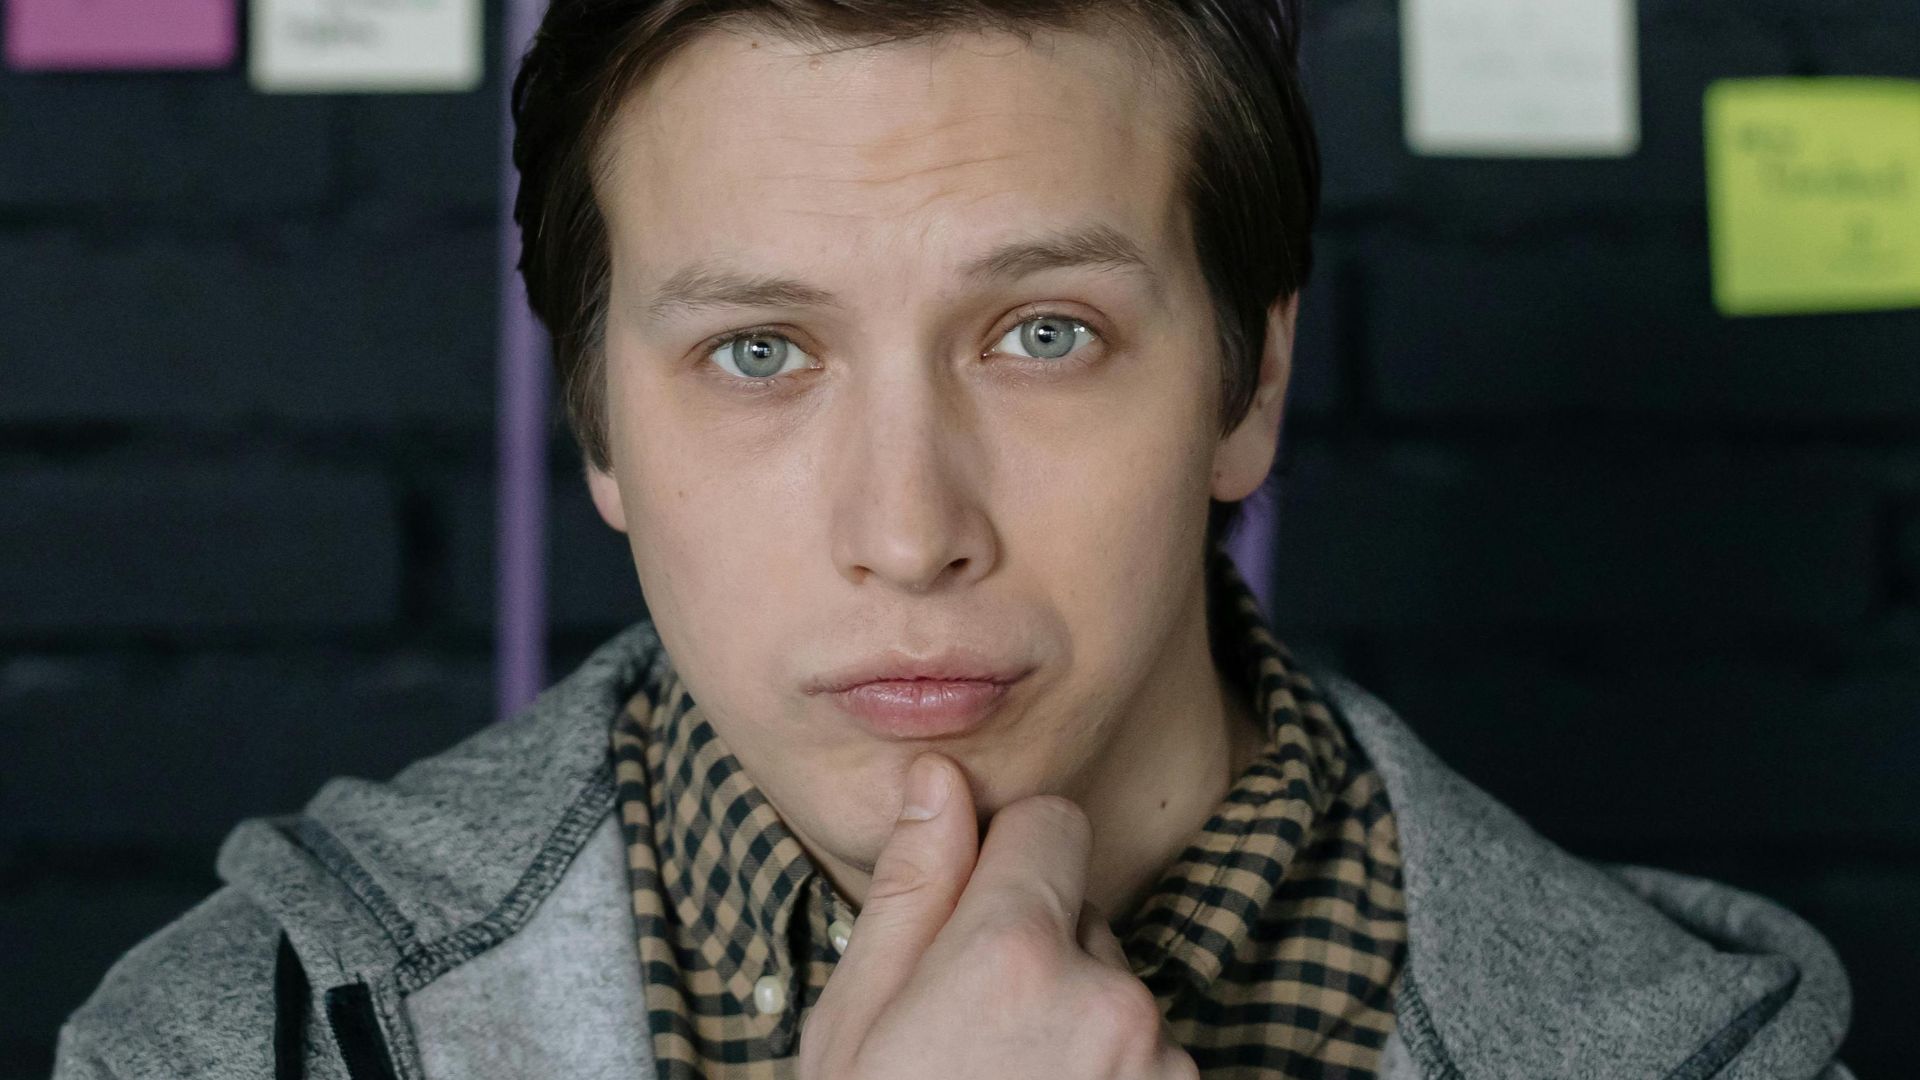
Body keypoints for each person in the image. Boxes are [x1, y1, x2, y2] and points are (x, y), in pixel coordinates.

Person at [54, 1, 1856, 1077]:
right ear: (599, 426)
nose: (909, 534)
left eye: (1043, 334)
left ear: (1249, 385)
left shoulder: (1709, 1057)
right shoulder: (233, 1038)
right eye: (759, 353)